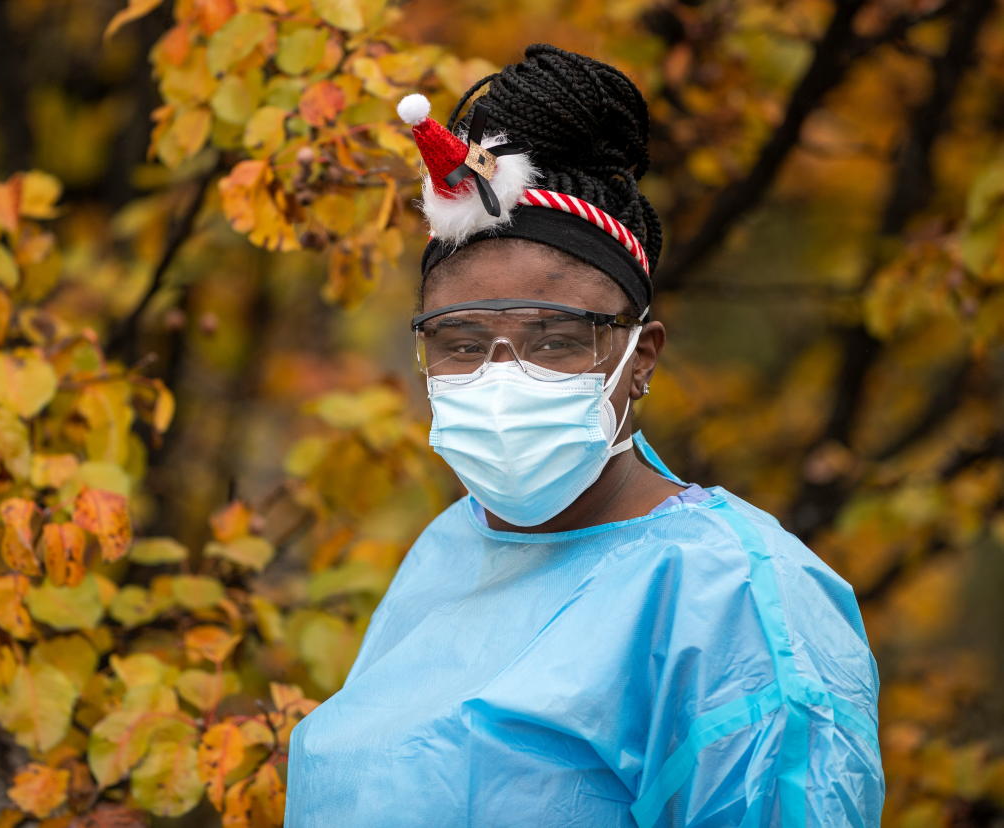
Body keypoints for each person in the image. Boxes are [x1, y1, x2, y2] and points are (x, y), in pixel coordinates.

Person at [284, 44, 884, 827]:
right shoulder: (454, 548)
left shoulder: (732, 600)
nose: (503, 375)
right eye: (462, 343)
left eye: (555, 339)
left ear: (642, 358)